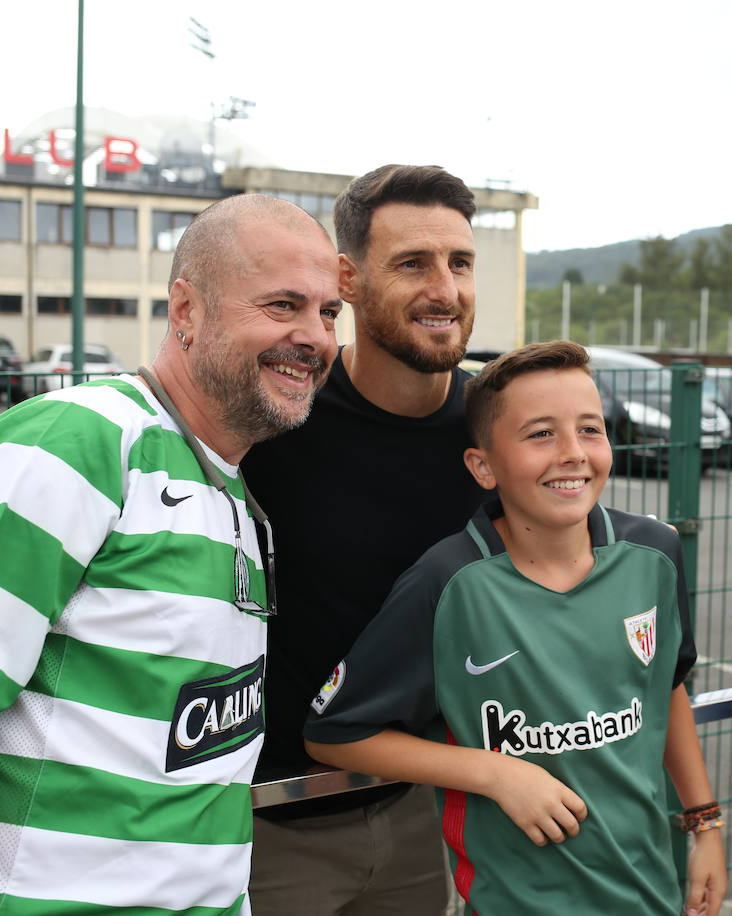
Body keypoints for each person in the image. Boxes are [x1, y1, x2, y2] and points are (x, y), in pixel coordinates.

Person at [0, 194, 341, 914]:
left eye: (329, 312)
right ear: (186, 311)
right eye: (283, 305)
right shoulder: (78, 443)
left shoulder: (228, 486)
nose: (314, 336)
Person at [303, 340, 727, 915]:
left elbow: (665, 687)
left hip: (648, 892)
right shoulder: (446, 584)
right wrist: (496, 773)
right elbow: (333, 733)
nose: (572, 453)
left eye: (590, 429)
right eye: (541, 434)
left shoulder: (654, 554)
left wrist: (704, 823)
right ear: (483, 466)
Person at [242, 165, 486, 914]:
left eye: (460, 263)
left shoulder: (498, 429)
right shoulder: (278, 421)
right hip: (271, 818)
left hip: (415, 808)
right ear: (347, 279)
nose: (445, 290)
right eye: (413, 263)